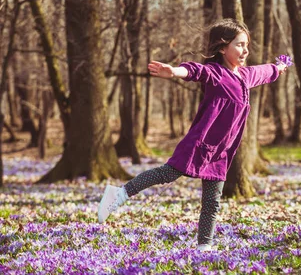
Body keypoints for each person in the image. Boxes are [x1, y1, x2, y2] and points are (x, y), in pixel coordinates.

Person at [97, 18, 290, 251]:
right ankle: (119, 194)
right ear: (222, 48)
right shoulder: (216, 74)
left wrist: (278, 68)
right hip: (200, 143)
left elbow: (264, 71)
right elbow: (194, 71)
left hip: (221, 151)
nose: (245, 50)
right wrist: (174, 72)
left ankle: (204, 247)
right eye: (239, 44)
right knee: (166, 174)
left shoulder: (245, 76)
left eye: (246, 45)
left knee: (212, 201)